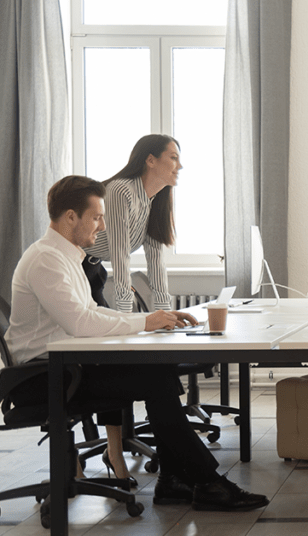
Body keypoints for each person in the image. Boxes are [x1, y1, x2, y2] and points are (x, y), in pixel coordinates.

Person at [5, 175, 269, 512]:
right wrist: (146, 322)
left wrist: (153, 320)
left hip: (64, 368)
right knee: (155, 378)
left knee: (157, 370)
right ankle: (206, 482)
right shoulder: (46, 260)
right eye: (96, 217)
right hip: (42, 378)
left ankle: (175, 479)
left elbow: (91, 312)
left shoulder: (65, 256)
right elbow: (80, 323)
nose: (102, 227)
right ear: (71, 216)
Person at [80, 134, 183, 484]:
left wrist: (166, 316)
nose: (179, 165)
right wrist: (127, 319)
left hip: (94, 271)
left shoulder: (156, 198)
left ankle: (113, 449)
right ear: (150, 160)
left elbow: (156, 259)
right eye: (173, 157)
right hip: (76, 270)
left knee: (110, 360)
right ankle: (90, 451)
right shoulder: (121, 190)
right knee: (104, 358)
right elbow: (121, 254)